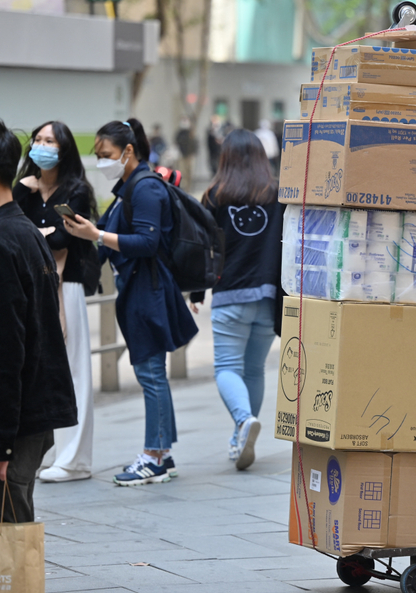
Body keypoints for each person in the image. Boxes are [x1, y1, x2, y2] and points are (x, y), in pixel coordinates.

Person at [62, 119, 198, 487]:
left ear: (128, 152)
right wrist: (88, 234)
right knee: (153, 375)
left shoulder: (146, 189)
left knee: (151, 375)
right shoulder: (129, 187)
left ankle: (153, 456)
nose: (102, 161)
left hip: (148, 291)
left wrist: (98, 235)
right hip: (142, 290)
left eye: (105, 155)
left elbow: (147, 243)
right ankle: (162, 454)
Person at [190, 129, 283, 470]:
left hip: (231, 294)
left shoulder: (214, 196)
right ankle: (240, 434)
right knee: (254, 369)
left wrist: (197, 291)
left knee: (228, 368)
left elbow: (204, 250)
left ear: (224, 157)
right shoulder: (277, 194)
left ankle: (244, 421)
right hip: (268, 296)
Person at [0, 119, 78, 522]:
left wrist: (4, 447)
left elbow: (8, 350)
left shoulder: (6, 240)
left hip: (17, 422)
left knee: (11, 533)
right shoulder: (26, 231)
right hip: (32, 412)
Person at [13, 121, 97, 483]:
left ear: (63, 149)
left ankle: (75, 459)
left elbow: (63, 237)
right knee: (41, 365)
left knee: (75, 367)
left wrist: (42, 232)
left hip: (69, 285)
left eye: (50, 140)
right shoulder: (26, 191)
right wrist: (21, 189)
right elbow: (11, 228)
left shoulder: (76, 190)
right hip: (34, 286)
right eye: (38, 139)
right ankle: (56, 454)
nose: (42, 145)